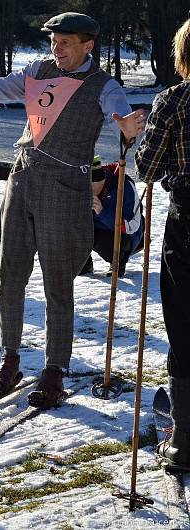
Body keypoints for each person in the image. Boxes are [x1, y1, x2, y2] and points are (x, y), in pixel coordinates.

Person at [0, 12, 145, 408]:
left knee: (57, 284)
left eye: (66, 42)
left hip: (65, 191)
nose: (57, 48)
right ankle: (9, 358)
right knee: (10, 275)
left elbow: (120, 110)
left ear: (88, 45)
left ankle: (55, 371)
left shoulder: (103, 85)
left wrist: (127, 123)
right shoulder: (37, 70)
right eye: (54, 41)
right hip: (22, 182)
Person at [135, 17, 190, 474]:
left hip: (189, 223)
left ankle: (186, 439)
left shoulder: (173, 101)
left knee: (185, 323)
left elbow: (147, 169)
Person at [79, 156, 144, 277]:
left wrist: (101, 211)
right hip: (98, 230)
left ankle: (118, 262)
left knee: (101, 239)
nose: (87, 191)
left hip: (126, 235)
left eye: (89, 186)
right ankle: (84, 264)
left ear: (100, 181)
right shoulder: (85, 191)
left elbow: (132, 226)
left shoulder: (124, 186)